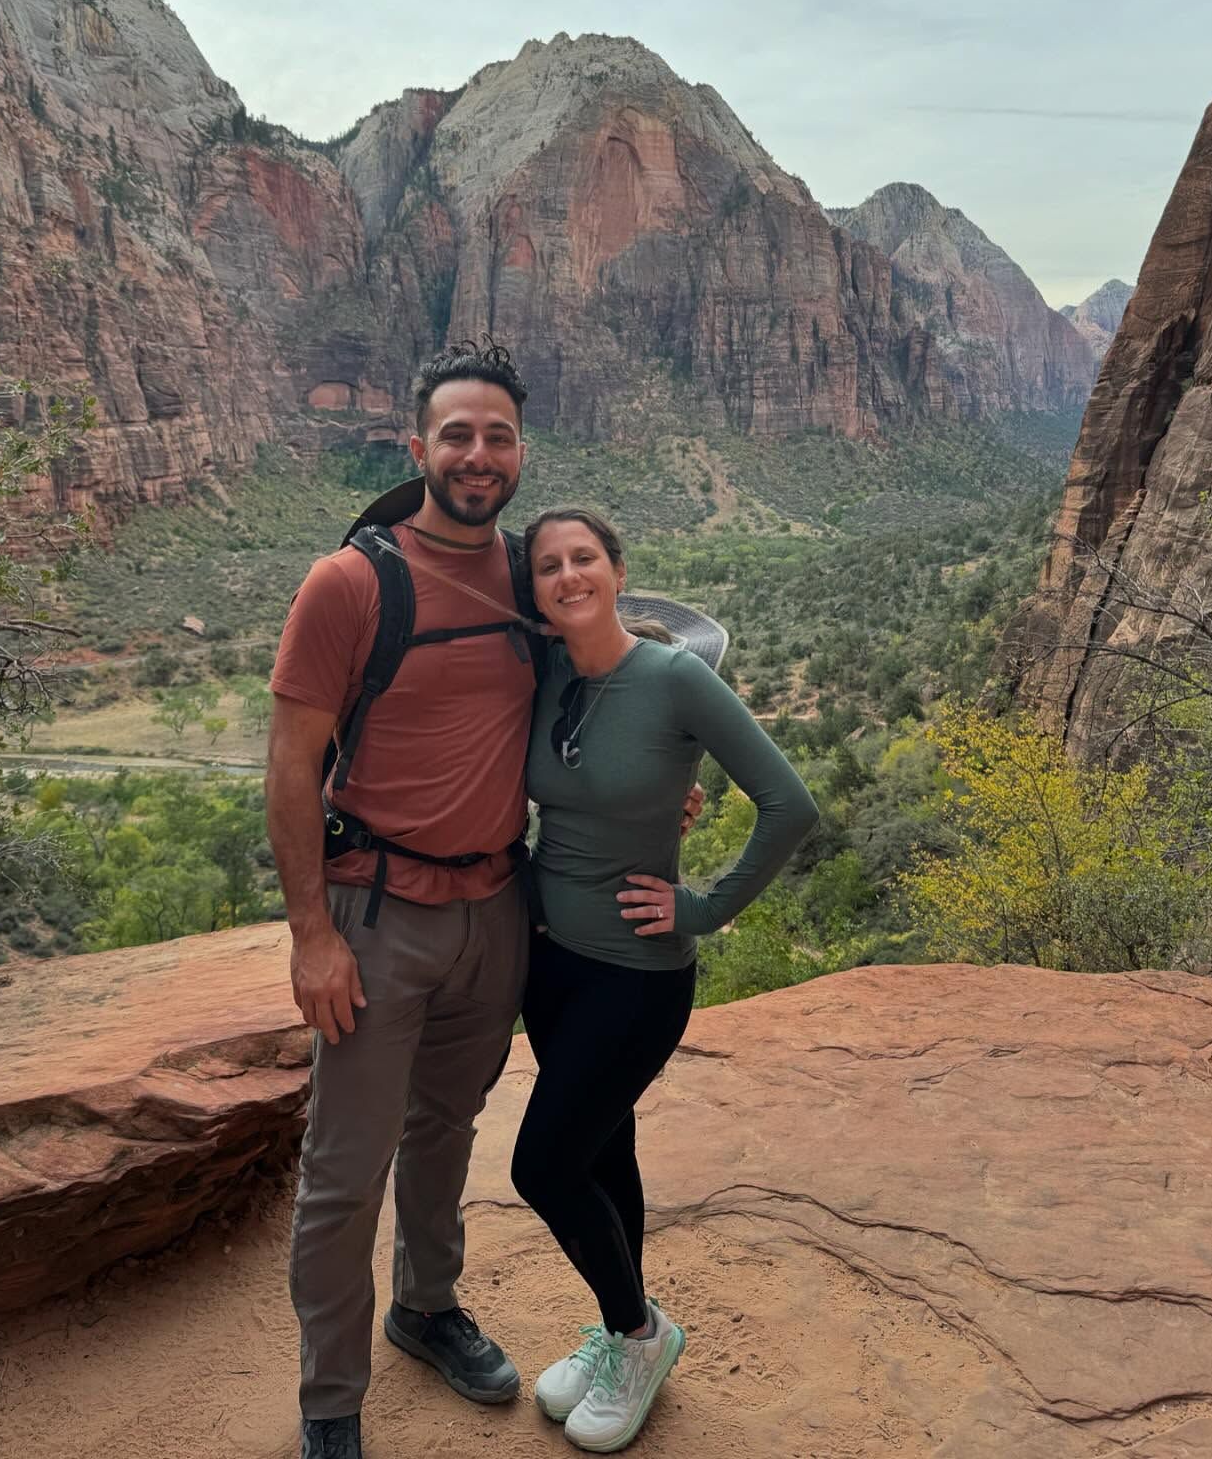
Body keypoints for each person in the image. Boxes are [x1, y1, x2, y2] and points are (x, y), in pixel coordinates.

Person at [267, 340, 704, 1459]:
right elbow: (288, 764)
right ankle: (330, 1401)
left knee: (446, 1130)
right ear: (416, 447)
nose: (476, 453)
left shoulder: (527, 573)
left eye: (497, 435)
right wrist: (310, 934)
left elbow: (611, 663)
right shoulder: (351, 582)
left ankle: (427, 1306)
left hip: (500, 908)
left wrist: (659, 780)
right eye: (455, 434)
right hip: (375, 912)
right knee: (344, 1168)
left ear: (519, 453)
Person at [511, 507, 819, 1453]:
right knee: (605, 1153)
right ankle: (617, 1328)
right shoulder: (550, 675)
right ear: (535, 591)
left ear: (616, 569)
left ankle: (643, 1336)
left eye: (585, 559)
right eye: (550, 566)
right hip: (551, 966)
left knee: (542, 1166)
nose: (569, 576)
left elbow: (789, 805)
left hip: (637, 976)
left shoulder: (676, 677)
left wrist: (703, 907)